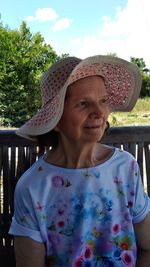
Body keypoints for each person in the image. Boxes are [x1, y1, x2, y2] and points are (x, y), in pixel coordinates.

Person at [9, 55, 150, 267]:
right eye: (83, 104)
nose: (99, 112)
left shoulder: (125, 168)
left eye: (103, 101)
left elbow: (148, 245)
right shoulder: (33, 187)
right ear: (55, 120)